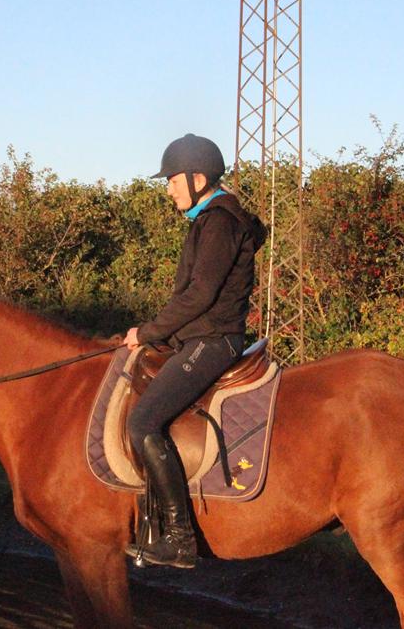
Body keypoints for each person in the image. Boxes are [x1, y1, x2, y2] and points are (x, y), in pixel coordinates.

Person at [122, 133, 266, 568]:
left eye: (172, 180)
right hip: (199, 336)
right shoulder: (211, 220)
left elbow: (199, 296)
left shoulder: (219, 223)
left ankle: (180, 540)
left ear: (197, 178)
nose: (168, 189)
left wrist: (148, 332)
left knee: (143, 421)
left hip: (213, 342)